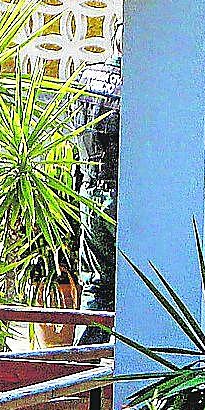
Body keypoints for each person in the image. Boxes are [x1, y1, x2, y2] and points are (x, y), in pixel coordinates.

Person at [75, 52, 121, 346]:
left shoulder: (87, 77)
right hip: (125, 194)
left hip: (89, 192)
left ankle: (83, 363)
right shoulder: (142, 84)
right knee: (138, 283)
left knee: (94, 283)